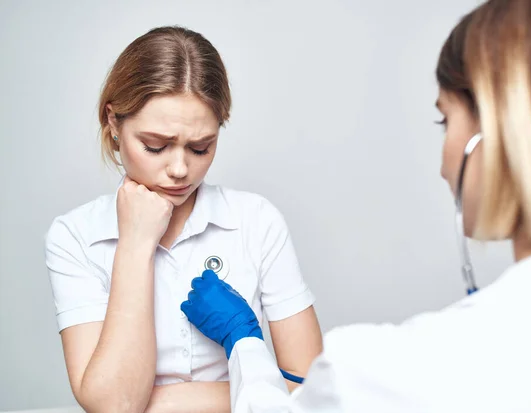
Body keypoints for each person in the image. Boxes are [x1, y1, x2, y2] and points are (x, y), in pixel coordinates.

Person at [179, 0, 531, 411]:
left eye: (446, 120)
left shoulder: (381, 371)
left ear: (504, 133)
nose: (442, 166)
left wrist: (243, 342)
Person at [44, 26, 323, 413]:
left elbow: (313, 390)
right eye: (155, 146)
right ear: (113, 122)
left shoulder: (256, 221)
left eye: (200, 147)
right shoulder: (75, 237)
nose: (180, 169)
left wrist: (153, 403)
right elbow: (113, 405)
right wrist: (136, 246)